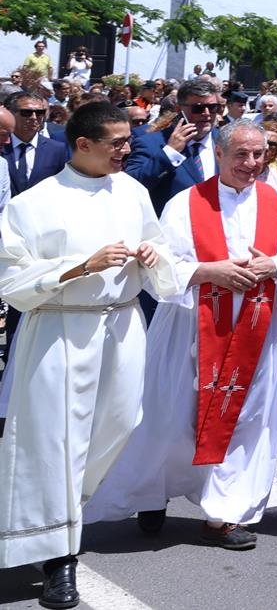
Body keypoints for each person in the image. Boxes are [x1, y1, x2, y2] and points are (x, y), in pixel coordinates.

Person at [86, 120, 277, 551]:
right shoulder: (186, 203)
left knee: (245, 419)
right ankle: (152, 493)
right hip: (190, 327)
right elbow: (159, 264)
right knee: (170, 418)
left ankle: (224, 514)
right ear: (219, 154)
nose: (252, 163)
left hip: (255, 329)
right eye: (241, 154)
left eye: (259, 154)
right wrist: (209, 271)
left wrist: (274, 266)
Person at [0, 100, 182, 608]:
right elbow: (10, 279)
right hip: (61, 331)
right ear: (83, 144)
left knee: (117, 427)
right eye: (117, 143)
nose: (128, 150)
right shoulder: (34, 204)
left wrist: (153, 256)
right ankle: (59, 559)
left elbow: (161, 249)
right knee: (57, 442)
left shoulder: (131, 191)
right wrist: (83, 265)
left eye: (128, 141)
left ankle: (58, 519)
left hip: (122, 326)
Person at [3, 92, 68, 199]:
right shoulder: (2, 145)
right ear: (10, 113)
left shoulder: (57, 150)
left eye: (40, 113)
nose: (34, 117)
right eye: (26, 112)